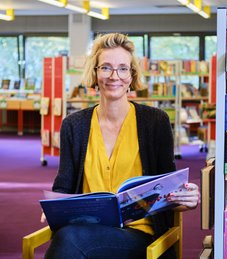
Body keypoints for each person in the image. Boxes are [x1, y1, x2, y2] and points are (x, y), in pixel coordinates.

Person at [44, 33, 200, 259]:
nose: (114, 76)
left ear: (132, 75)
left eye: (123, 68)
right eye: (105, 67)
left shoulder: (155, 122)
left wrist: (187, 198)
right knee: (69, 237)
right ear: (95, 73)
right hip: (87, 230)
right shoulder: (73, 125)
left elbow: (169, 187)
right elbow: (64, 187)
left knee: (69, 239)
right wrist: (54, 207)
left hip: (140, 236)